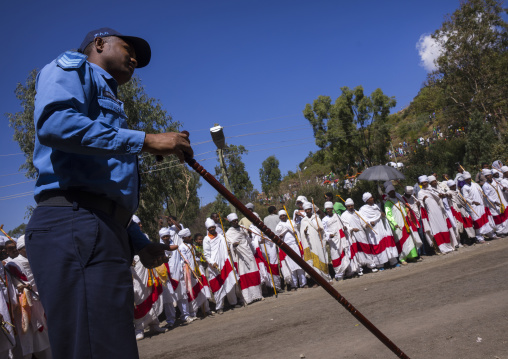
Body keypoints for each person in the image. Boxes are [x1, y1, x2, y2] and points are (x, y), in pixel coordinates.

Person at [27, 27, 193, 358]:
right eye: (128, 48)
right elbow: (55, 124)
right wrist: (146, 140)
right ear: (99, 44)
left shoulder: (107, 95)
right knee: (96, 347)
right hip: (74, 223)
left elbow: (104, 186)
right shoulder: (72, 67)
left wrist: (137, 240)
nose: (134, 58)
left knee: (109, 344)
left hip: (98, 225)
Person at [6, 235, 52, 358]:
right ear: (21, 249)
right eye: (27, 247)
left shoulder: (37, 260)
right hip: (23, 311)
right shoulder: (12, 265)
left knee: (46, 348)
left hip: (41, 307)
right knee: (25, 349)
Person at [202, 219, 238, 315]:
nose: (212, 229)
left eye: (213, 227)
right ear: (208, 229)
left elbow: (227, 245)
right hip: (214, 266)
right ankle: (219, 307)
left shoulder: (221, 237)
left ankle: (233, 303)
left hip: (224, 263)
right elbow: (206, 255)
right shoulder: (206, 239)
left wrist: (229, 248)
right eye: (210, 228)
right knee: (218, 287)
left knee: (229, 282)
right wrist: (212, 262)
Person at [225, 214, 263, 304]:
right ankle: (247, 298)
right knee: (244, 274)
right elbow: (229, 245)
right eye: (233, 221)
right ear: (230, 222)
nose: (235, 222)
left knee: (254, 272)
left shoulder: (242, 228)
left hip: (248, 252)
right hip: (240, 255)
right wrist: (233, 246)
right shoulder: (228, 233)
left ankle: (258, 295)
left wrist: (249, 234)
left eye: (236, 220)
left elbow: (249, 240)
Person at [359, 193, 399, 270]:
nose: (372, 199)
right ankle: (380, 265)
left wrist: (382, 215)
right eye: (370, 198)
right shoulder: (363, 209)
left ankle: (393, 261)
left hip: (381, 227)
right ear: (367, 200)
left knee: (387, 243)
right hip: (373, 230)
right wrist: (370, 222)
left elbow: (379, 215)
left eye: (372, 197)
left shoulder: (376, 206)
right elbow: (363, 221)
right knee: (378, 245)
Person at [383, 186, 422, 264]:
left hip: (405, 222)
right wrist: (394, 224)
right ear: (388, 193)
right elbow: (388, 215)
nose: (392, 193)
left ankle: (412, 256)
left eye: (393, 191)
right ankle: (402, 258)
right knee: (402, 241)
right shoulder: (387, 203)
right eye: (391, 192)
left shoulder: (399, 200)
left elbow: (404, 210)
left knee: (409, 239)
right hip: (397, 225)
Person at [322, 202, 359, 280]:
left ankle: (348, 272)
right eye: (327, 209)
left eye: (330, 209)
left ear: (332, 209)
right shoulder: (324, 220)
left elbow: (343, 225)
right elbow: (324, 232)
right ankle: (339, 274)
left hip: (341, 239)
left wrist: (346, 228)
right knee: (336, 255)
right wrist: (329, 235)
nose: (328, 210)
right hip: (333, 242)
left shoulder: (337, 216)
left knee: (345, 254)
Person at [417, 176, 454, 253]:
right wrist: (423, 200)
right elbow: (420, 204)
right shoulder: (420, 193)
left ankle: (448, 245)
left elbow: (440, 196)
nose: (424, 184)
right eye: (422, 183)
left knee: (443, 227)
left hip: (439, 211)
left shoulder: (433, 189)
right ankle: (441, 247)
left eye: (425, 182)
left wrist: (442, 195)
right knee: (436, 230)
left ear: (427, 182)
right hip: (430, 213)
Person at [299, 202, 331, 283]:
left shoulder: (316, 218)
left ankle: (327, 278)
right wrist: (305, 231)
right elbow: (302, 234)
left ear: (311, 210)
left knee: (322, 257)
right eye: (306, 210)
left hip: (318, 242)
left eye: (309, 209)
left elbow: (322, 228)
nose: (308, 211)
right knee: (314, 262)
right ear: (305, 211)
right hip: (311, 244)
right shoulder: (303, 221)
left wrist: (320, 229)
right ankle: (318, 280)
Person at [275, 210, 307, 290]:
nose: (283, 217)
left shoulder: (291, 222)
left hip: (295, 245)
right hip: (287, 248)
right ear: (279, 217)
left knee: (299, 264)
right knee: (291, 266)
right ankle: (294, 285)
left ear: (286, 215)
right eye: (281, 216)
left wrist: (293, 231)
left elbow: (295, 230)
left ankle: (303, 283)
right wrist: (283, 233)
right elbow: (278, 236)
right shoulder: (279, 226)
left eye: (284, 215)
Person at [461, 172, 497, 242]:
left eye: (469, 179)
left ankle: (490, 234)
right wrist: (473, 202)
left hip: (481, 204)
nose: (468, 180)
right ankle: (479, 237)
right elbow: (466, 198)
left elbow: (480, 191)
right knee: (477, 221)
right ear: (465, 180)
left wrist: (483, 195)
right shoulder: (464, 188)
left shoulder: (475, 184)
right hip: (474, 206)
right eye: (467, 179)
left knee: (485, 219)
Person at [482, 169, 508, 236]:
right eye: (487, 176)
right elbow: (487, 196)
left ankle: (506, 230)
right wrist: (494, 202)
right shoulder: (485, 186)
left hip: (501, 200)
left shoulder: (495, 181)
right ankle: (500, 232)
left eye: (489, 175)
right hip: (493, 204)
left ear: (491, 175)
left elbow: (500, 187)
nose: (488, 176)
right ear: (485, 177)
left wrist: (503, 189)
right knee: (498, 218)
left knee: (504, 215)